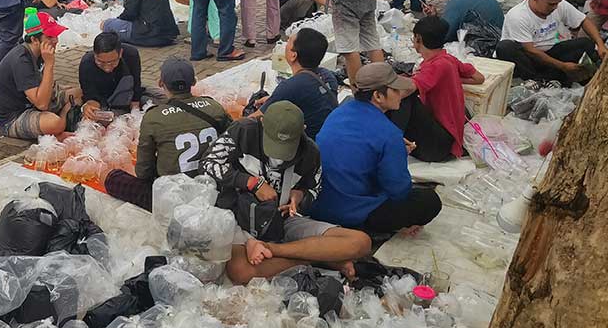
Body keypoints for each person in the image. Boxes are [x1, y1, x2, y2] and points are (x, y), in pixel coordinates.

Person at [201, 100, 371, 284]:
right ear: (262, 121)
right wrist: (251, 183)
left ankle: (272, 250)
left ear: (302, 130)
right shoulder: (242, 131)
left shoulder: (310, 151)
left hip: (281, 220)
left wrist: (300, 197)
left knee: (360, 242)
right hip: (238, 216)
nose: (279, 154)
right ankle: (319, 257)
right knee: (239, 270)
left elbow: (314, 188)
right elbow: (209, 163)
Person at [312, 63, 443, 234]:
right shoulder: (389, 134)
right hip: (351, 214)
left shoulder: (339, 112)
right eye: (395, 90)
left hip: (317, 204)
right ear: (378, 96)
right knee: (429, 201)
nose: (400, 94)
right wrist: (399, 154)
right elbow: (398, 189)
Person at [104, 58, 229, 210]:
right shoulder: (214, 106)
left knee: (113, 178)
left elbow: (143, 171)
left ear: (160, 83)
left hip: (173, 196)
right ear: (194, 82)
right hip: (213, 188)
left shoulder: (154, 117)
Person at [394, 16, 484, 162]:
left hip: (439, 147)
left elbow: (409, 89)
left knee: (401, 101)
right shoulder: (448, 59)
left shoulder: (435, 66)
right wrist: (451, 79)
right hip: (446, 137)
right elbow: (479, 78)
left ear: (419, 39)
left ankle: (389, 145)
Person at [496, 0, 606, 85]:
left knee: (585, 43)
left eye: (557, 3)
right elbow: (530, 50)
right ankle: (538, 79)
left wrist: (600, 44)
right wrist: (562, 66)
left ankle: (555, 76)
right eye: (551, 4)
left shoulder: (560, 5)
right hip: (528, 59)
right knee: (505, 47)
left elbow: (584, 20)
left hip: (550, 53)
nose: (555, 7)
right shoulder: (518, 16)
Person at [0, 8, 82, 139]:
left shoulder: (39, 51)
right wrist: (50, 64)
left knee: (79, 93)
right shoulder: (21, 60)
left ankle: (60, 125)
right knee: (56, 123)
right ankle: (60, 129)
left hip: (34, 104)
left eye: (56, 35)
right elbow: (42, 104)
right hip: (14, 118)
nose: (56, 40)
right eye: (50, 37)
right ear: (34, 40)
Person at [259, 29, 337, 138]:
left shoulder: (290, 86)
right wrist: (273, 99)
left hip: (306, 145)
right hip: (328, 136)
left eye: (289, 41)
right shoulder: (328, 76)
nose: (285, 44)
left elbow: (256, 119)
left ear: (293, 56)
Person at [78, 31, 152, 121]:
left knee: (161, 97)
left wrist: (135, 113)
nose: (107, 68)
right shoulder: (86, 64)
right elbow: (91, 97)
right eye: (101, 62)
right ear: (94, 54)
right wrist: (90, 108)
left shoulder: (131, 54)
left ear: (120, 53)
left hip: (127, 91)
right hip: (105, 102)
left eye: (112, 62)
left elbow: (136, 85)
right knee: (99, 120)